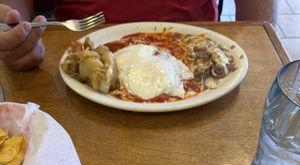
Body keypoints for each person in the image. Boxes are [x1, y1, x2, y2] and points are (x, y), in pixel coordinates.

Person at [0, 0, 278, 71]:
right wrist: (18, 32)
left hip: (192, 59)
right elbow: (16, 9)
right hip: (74, 56)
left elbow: (260, 25)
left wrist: (261, 52)